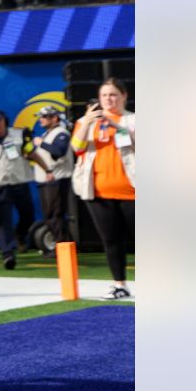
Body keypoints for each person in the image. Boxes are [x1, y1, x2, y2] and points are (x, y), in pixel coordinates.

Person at [70, 78, 135, 300]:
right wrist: (88, 122)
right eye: (105, 95)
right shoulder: (85, 122)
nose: (109, 99)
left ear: (124, 96)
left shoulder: (133, 120)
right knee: (111, 239)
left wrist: (121, 128)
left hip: (132, 191)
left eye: (114, 94)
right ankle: (119, 284)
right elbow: (76, 149)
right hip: (98, 192)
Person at [0, 109, 48, 269]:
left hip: (20, 182)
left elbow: (32, 153)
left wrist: (47, 170)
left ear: (5, 120)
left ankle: (20, 234)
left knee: (28, 216)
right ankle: (8, 255)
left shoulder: (19, 135)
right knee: (3, 222)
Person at [31, 105, 73, 255]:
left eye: (44, 117)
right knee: (50, 216)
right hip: (47, 181)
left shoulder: (61, 133)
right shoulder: (46, 135)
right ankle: (63, 247)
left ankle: (63, 250)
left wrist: (40, 143)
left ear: (54, 118)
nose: (40, 120)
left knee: (56, 215)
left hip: (57, 179)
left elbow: (59, 151)